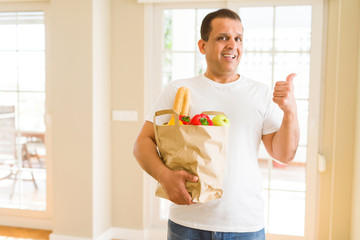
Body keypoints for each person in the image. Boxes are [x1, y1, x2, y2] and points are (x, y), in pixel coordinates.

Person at [133, 8, 299, 240]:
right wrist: (164, 175)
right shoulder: (178, 91)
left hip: (244, 226)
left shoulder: (260, 93)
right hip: (187, 223)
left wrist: (290, 111)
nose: (232, 44)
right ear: (202, 46)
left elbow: (284, 154)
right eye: (223, 38)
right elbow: (142, 142)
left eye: (238, 38)